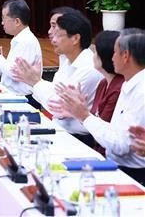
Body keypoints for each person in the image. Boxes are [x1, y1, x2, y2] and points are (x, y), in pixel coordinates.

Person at [49, 28, 145, 185]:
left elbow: (121, 145)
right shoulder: (129, 83)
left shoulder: (140, 92)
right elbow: (114, 133)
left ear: (125, 56)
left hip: (132, 174)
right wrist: (82, 115)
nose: (111, 58)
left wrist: (84, 116)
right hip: (116, 164)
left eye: (114, 53)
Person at [12, 10, 102, 146]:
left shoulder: (88, 67)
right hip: (61, 130)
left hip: (78, 140)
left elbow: (57, 108)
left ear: (75, 38)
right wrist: (37, 82)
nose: (52, 39)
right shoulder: (67, 61)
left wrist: (35, 82)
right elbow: (54, 93)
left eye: (58, 35)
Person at [48, 30, 125, 156]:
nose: (92, 55)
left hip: (107, 154)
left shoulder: (118, 88)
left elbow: (101, 132)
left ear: (105, 56)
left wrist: (82, 115)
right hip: (98, 148)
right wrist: (76, 113)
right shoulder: (103, 83)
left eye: (96, 52)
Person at [0, 0, 42, 95]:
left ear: (17, 21)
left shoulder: (27, 41)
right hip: (12, 94)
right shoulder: (19, 39)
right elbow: (6, 74)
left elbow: (14, 74)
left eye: (4, 18)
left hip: (24, 99)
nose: (2, 23)